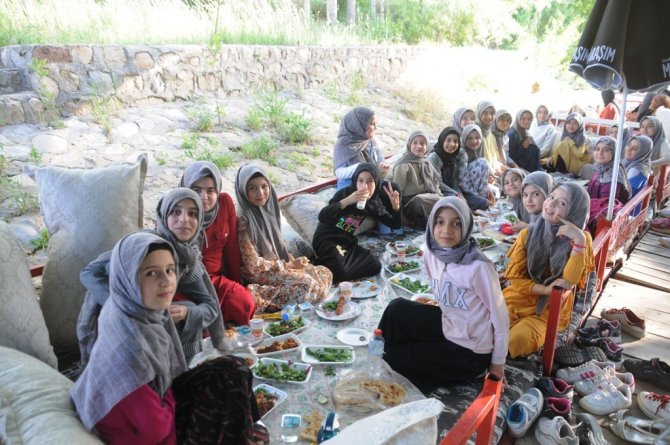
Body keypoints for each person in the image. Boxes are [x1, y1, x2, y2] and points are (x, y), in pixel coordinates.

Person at [71, 232, 268, 445]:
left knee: (234, 368)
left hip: (157, 409)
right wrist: (172, 397)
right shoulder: (130, 347)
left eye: (170, 270)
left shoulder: (134, 311)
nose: (165, 281)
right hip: (155, 436)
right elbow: (157, 431)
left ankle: (250, 430)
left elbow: (209, 305)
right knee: (226, 396)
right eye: (150, 274)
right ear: (127, 278)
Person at [78, 188, 225, 364]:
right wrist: (126, 307)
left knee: (187, 310)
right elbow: (89, 273)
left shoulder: (187, 256)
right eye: (175, 212)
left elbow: (210, 307)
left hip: (147, 316)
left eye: (193, 214)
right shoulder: (144, 245)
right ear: (163, 215)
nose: (184, 220)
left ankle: (176, 373)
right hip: (111, 319)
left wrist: (188, 313)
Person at [377, 197, 509, 391]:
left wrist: (497, 364)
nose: (447, 229)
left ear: (466, 227)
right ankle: (380, 349)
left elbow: (500, 317)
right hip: (448, 324)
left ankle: (400, 357)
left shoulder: (479, 267)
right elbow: (440, 291)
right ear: (432, 223)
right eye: (440, 222)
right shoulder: (432, 254)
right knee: (397, 308)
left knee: (395, 358)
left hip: (470, 350)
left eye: (456, 223)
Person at [504, 183, 594, 358]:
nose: (551, 204)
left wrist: (579, 240)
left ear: (574, 211)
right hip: (517, 298)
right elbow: (515, 279)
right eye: (552, 197)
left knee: (516, 340)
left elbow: (569, 281)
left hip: (549, 310)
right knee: (487, 327)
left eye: (562, 203)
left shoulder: (582, 240)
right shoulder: (528, 234)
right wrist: (544, 289)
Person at [235, 164, 332, 312]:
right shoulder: (243, 219)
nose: (260, 193)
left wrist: (292, 261)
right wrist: (290, 266)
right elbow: (254, 267)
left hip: (279, 265)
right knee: (307, 284)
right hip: (261, 274)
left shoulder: (267, 208)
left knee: (323, 272)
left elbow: (278, 244)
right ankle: (260, 295)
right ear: (243, 190)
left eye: (264, 186)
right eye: (252, 188)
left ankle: (307, 295)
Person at [180, 161, 255, 325]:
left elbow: (232, 248)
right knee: (180, 316)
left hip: (213, 280)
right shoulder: (176, 212)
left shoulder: (225, 204)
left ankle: (210, 318)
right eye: (196, 190)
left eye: (210, 190)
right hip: (185, 282)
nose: (203, 197)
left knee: (245, 304)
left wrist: (236, 283)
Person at [312, 163, 401, 283]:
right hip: (327, 240)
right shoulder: (345, 193)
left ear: (377, 183)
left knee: (375, 265)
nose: (365, 186)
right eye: (361, 181)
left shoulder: (372, 203)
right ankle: (322, 264)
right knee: (341, 271)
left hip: (347, 242)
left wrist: (396, 208)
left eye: (370, 181)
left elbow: (395, 224)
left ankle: (338, 265)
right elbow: (322, 217)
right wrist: (348, 201)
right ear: (355, 181)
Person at [387, 130, 443, 226]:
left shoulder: (426, 163)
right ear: (409, 144)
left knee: (443, 200)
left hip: (428, 198)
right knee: (419, 200)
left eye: (422, 143)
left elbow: (435, 186)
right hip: (409, 203)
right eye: (415, 142)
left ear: (427, 147)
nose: (419, 146)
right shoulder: (403, 164)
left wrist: (440, 198)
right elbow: (397, 191)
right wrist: (399, 214)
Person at [333, 106, 390, 189]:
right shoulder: (343, 144)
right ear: (359, 125)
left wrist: (383, 169)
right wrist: (360, 168)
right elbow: (339, 173)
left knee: (394, 188)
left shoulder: (373, 142)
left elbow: (380, 163)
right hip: (350, 185)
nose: (376, 128)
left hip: (371, 182)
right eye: (372, 124)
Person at [459, 124, 495, 210]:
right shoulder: (462, 152)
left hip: (473, 190)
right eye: (469, 138)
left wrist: (487, 190)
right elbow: (462, 180)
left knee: (493, 193)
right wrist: (476, 195)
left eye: (477, 138)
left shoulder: (477, 151)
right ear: (464, 138)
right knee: (483, 162)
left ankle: (482, 196)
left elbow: (482, 178)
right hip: (464, 192)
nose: (474, 141)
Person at [476, 100, 505, 176]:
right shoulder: (475, 133)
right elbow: (476, 161)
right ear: (479, 113)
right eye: (485, 113)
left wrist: (500, 167)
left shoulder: (490, 133)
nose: (489, 117)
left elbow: (492, 158)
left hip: (493, 171)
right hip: (481, 175)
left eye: (492, 113)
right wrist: (492, 171)